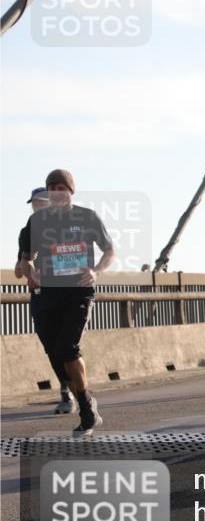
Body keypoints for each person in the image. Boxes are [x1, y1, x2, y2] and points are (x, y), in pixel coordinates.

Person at [18, 170, 116, 434]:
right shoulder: (37, 222)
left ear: (71, 190)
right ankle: (87, 404)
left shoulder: (87, 217)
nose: (57, 192)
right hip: (48, 294)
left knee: (68, 347)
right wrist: (32, 272)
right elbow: (25, 259)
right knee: (56, 354)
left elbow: (110, 250)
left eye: (62, 187)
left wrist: (96, 270)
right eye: (52, 188)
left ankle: (85, 407)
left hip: (79, 291)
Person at [15, 187, 75, 415]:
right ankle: (67, 390)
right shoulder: (27, 231)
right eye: (34, 204)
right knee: (51, 347)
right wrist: (22, 269)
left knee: (67, 346)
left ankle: (70, 394)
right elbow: (20, 265)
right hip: (41, 296)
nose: (37, 207)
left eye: (41, 203)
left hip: (67, 294)